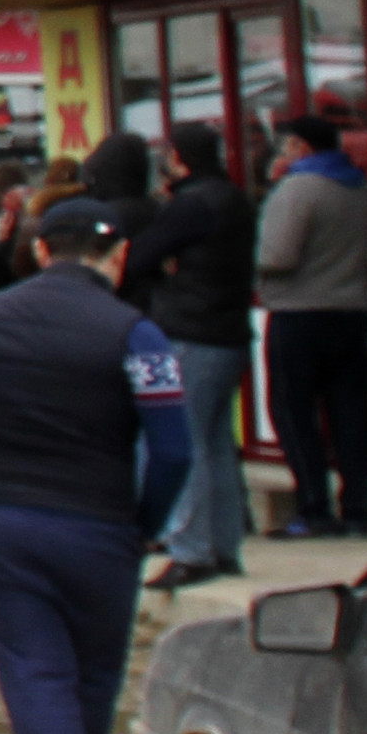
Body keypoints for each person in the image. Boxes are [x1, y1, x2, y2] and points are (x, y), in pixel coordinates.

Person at [0, 198, 193, 734]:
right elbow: (173, 448)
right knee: (90, 675)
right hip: (99, 523)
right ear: (113, 256)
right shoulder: (134, 332)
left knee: (33, 672)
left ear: (37, 250)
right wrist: (145, 520)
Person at [127, 122, 258, 570]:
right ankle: (223, 547)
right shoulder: (234, 196)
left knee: (184, 443)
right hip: (228, 331)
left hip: (192, 331)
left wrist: (165, 269)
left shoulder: (192, 204)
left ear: (179, 158)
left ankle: (190, 549)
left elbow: (138, 257)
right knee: (217, 444)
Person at [251, 109, 367, 542]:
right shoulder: (361, 188)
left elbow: (276, 256)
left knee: (293, 413)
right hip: (350, 311)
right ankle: (358, 510)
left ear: (301, 148)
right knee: (349, 413)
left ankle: (314, 508)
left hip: (299, 314)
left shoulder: (297, 189)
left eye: (287, 145)